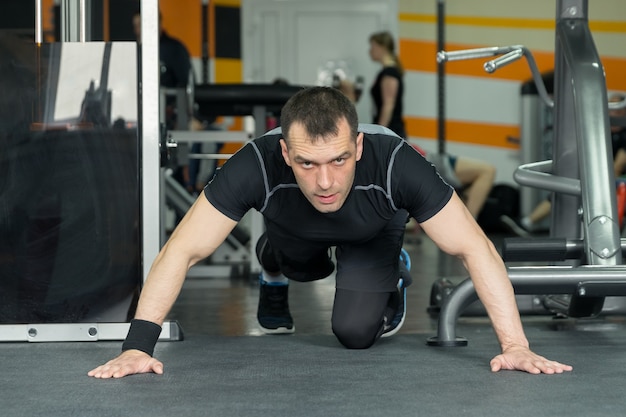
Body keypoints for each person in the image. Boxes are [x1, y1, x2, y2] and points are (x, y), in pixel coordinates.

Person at [88, 87, 571, 378]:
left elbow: (474, 247)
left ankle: (392, 274)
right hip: (294, 233)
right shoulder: (255, 162)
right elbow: (183, 250)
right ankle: (272, 266)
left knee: (356, 334)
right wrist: (137, 345)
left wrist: (515, 346)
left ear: (359, 145)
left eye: (339, 160)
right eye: (307, 163)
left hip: (371, 233)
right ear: (285, 154)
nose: (325, 181)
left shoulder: (395, 160)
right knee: (297, 263)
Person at [501, 92, 626, 235]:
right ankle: (526, 223)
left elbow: (617, 167)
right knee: (564, 189)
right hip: (594, 177)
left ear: (623, 112)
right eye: (610, 108)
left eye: (616, 109)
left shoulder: (623, 135)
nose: (612, 112)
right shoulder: (599, 132)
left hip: (614, 182)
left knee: (581, 188)